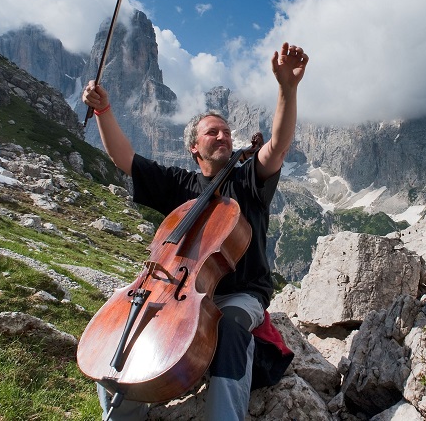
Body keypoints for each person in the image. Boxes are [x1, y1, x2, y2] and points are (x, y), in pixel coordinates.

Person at [81, 42, 308, 421]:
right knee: (126, 328)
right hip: (177, 292)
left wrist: (287, 88)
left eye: (226, 132)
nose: (223, 137)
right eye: (212, 133)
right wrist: (103, 110)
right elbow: (125, 159)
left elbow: (277, 148)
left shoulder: (247, 179)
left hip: (239, 294)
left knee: (231, 329)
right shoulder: (179, 185)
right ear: (193, 147)